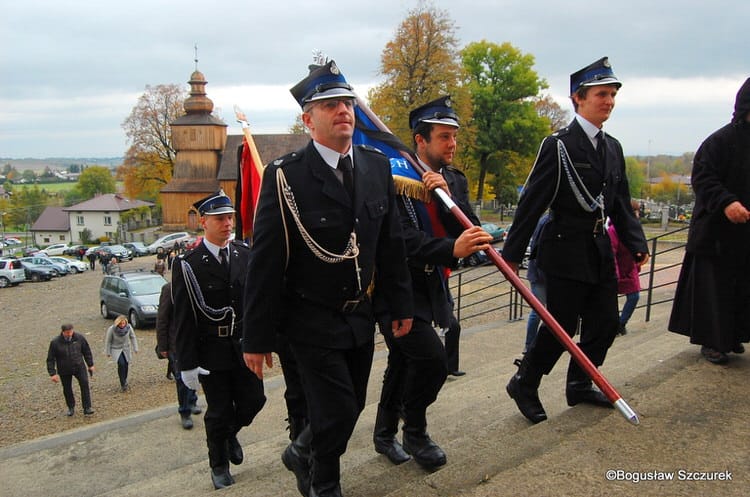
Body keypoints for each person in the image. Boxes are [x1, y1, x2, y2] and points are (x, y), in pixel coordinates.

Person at [242, 60, 413, 497]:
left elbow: (389, 244)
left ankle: (301, 453)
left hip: (360, 314)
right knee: (333, 408)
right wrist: (256, 337)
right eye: (330, 104)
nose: (344, 110)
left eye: (348, 102)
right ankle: (325, 483)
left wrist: (399, 305)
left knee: (352, 403)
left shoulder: (375, 168)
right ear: (307, 119)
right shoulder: (286, 177)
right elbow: (265, 261)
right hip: (308, 318)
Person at [501, 57, 649, 424]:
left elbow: (620, 203)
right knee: (561, 326)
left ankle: (579, 384)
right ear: (578, 99)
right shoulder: (559, 145)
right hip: (564, 248)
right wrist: (511, 255)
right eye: (602, 94)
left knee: (605, 323)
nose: (609, 101)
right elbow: (531, 202)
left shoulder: (612, 148)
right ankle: (525, 381)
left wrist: (635, 241)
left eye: (613, 94)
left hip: (598, 251)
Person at [372, 96, 491, 469]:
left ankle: (384, 433)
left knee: (403, 362)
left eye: (454, 136)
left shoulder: (453, 178)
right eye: (444, 137)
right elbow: (398, 239)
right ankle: (416, 431)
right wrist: (450, 248)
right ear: (420, 140)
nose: (452, 144)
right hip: (397, 288)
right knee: (432, 362)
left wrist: (448, 197)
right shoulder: (391, 175)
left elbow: (470, 226)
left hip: (433, 284)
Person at [172, 190, 266, 490]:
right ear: (204, 222)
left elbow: (255, 305)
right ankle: (218, 465)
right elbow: (183, 318)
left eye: (230, 218)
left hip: (243, 346)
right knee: (219, 410)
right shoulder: (189, 263)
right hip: (211, 350)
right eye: (220, 219)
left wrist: (264, 340)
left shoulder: (244, 253)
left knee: (255, 400)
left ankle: (227, 436)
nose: (227, 223)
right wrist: (186, 365)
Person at [669, 78, 750, 364]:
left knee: (742, 289)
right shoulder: (720, 141)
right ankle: (713, 342)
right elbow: (703, 178)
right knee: (714, 292)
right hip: (716, 234)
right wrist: (727, 202)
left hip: (745, 237)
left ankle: (733, 335)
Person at [156, 281, 201, 429]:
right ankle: (184, 411)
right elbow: (162, 318)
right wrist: (163, 345)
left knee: (195, 374)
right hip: (176, 344)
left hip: (194, 340)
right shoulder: (169, 289)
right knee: (182, 379)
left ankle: (193, 400)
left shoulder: (195, 284)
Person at [608, 200, 644, 336]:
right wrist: (615, 273)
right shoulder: (613, 231)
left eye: (638, 211)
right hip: (618, 268)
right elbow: (612, 252)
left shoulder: (635, 229)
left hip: (630, 268)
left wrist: (638, 261)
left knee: (634, 296)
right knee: (611, 298)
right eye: (635, 211)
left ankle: (621, 323)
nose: (637, 214)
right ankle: (613, 324)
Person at [46, 323, 95, 416]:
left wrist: (90, 364)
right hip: (64, 369)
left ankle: (87, 407)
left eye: (71, 332)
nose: (69, 334)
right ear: (63, 332)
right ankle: (71, 407)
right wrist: (52, 373)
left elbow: (87, 351)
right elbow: (50, 359)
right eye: (67, 332)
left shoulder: (79, 338)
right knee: (67, 388)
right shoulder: (55, 342)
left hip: (79, 366)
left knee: (84, 384)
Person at [523, 213, 550, 354]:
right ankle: (529, 345)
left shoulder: (545, 220)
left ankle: (536, 344)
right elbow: (537, 248)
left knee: (543, 312)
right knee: (538, 311)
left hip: (543, 274)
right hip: (540, 275)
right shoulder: (546, 221)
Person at [104, 315, 138, 392]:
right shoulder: (112, 329)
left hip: (126, 348)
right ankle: (123, 383)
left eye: (123, 323)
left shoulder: (129, 328)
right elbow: (108, 341)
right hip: (116, 349)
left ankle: (125, 379)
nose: (122, 325)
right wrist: (107, 351)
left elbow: (133, 337)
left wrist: (135, 348)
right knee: (121, 364)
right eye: (121, 324)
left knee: (126, 364)